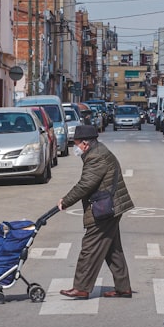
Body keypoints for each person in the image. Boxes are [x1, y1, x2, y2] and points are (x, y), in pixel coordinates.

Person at [58, 124, 135, 299]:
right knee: (113, 250)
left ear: (85, 143)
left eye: (76, 144)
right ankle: (124, 288)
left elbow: (86, 184)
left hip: (105, 209)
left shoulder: (96, 157)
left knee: (89, 247)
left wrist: (66, 201)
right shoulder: (96, 152)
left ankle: (81, 287)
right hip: (111, 206)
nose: (74, 148)